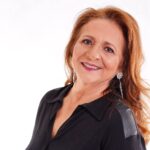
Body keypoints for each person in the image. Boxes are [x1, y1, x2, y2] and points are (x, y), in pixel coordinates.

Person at [26, 6, 150, 150]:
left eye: (108, 49)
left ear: (122, 64)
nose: (93, 54)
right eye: (87, 41)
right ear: (73, 45)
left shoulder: (118, 119)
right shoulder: (49, 100)